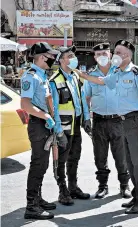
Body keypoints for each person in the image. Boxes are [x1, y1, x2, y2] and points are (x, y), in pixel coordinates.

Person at [77, 39, 138, 214]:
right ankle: (136, 196)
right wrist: (82, 75)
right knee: (130, 163)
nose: (114, 55)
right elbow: (101, 81)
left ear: (126, 55)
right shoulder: (117, 73)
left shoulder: (137, 73)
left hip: (136, 120)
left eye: (118, 52)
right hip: (123, 121)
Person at [83, 42, 131, 199]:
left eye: (104, 53)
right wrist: (86, 118)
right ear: (94, 57)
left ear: (110, 54)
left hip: (118, 120)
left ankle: (125, 186)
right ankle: (102, 186)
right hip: (99, 121)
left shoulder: (120, 71)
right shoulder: (91, 75)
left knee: (121, 156)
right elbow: (87, 98)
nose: (101, 57)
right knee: (100, 156)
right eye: (98, 54)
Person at [20, 42, 62, 220]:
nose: (53, 59)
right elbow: (25, 105)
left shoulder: (42, 76)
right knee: (38, 164)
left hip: (44, 124)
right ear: (42, 57)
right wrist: (46, 117)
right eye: (51, 56)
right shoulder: (31, 77)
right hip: (38, 124)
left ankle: (37, 199)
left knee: (43, 164)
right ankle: (31, 206)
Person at [49, 45, 91, 206]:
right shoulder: (54, 80)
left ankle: (73, 187)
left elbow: (82, 99)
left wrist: (87, 118)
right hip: (64, 128)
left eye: (74, 56)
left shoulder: (75, 76)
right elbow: (54, 109)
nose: (73, 59)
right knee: (61, 161)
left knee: (74, 158)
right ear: (61, 60)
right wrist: (58, 131)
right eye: (69, 56)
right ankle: (62, 191)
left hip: (76, 126)